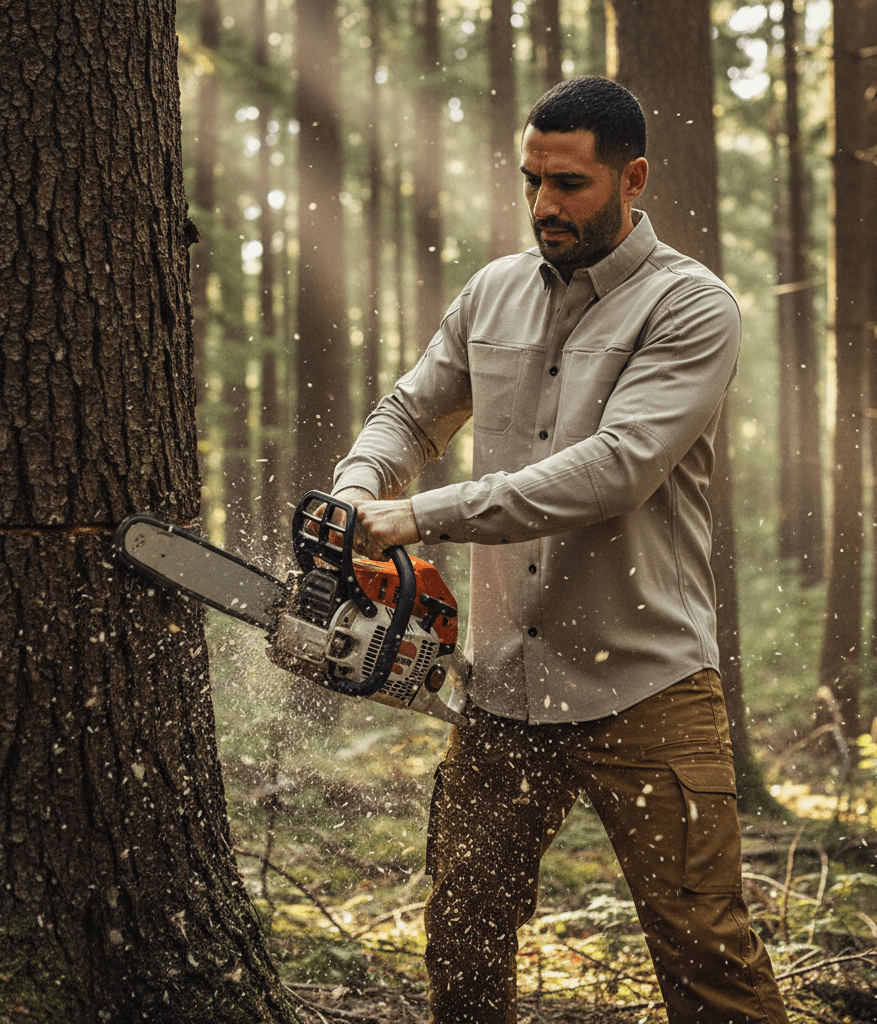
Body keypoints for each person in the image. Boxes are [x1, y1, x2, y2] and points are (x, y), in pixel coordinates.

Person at [330, 76, 788, 1024]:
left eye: (569, 184)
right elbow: (413, 412)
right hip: (500, 686)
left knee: (707, 954)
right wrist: (357, 488)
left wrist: (425, 516)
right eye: (532, 179)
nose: (544, 205)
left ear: (633, 180)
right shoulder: (492, 292)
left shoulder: (690, 308)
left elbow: (614, 469)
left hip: (648, 687)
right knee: (462, 936)